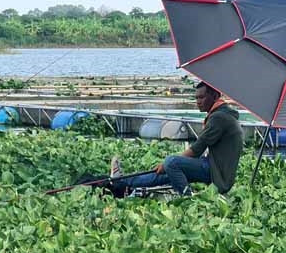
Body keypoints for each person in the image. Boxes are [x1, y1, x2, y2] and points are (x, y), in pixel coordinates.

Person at [103, 82, 243, 197]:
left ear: (214, 96)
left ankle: (187, 198)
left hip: (216, 172)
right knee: (169, 173)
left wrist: (166, 164)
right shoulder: (222, 114)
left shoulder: (219, 118)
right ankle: (122, 181)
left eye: (201, 97)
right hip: (211, 165)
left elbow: (196, 150)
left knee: (171, 162)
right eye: (196, 98)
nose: (198, 102)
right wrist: (167, 167)